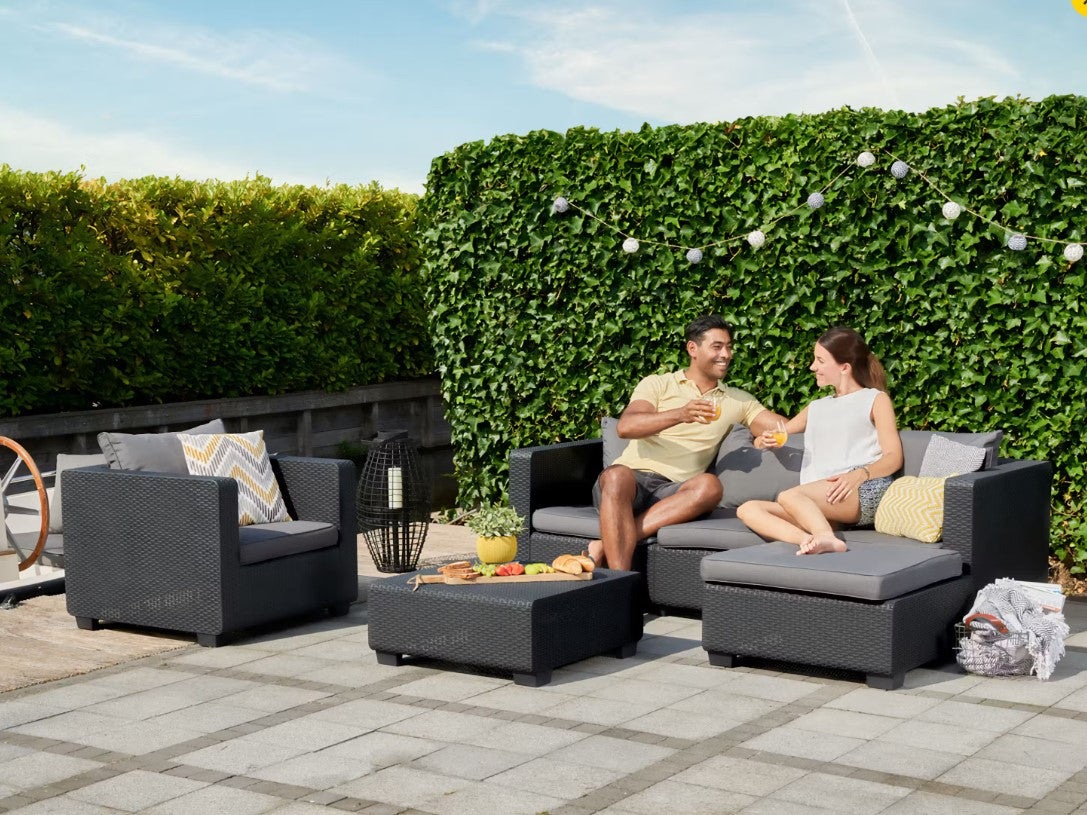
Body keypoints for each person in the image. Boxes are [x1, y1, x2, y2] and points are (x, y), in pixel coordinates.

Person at [588, 315, 780, 570]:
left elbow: (784, 427)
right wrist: (681, 414)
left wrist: (824, 407)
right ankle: (619, 580)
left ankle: (605, 544)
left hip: (675, 494)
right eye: (717, 346)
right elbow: (626, 427)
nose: (726, 354)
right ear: (693, 349)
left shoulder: (739, 400)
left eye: (729, 347)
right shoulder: (658, 384)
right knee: (616, 475)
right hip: (628, 486)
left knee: (710, 485)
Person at [736, 326, 903, 555]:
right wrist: (764, 441)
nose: (812, 367)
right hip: (820, 501)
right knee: (748, 509)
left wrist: (859, 475)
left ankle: (825, 536)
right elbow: (774, 434)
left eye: (820, 361)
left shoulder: (875, 399)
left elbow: (893, 457)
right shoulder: (816, 407)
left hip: (861, 488)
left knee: (789, 495)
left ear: (844, 367)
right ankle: (811, 540)